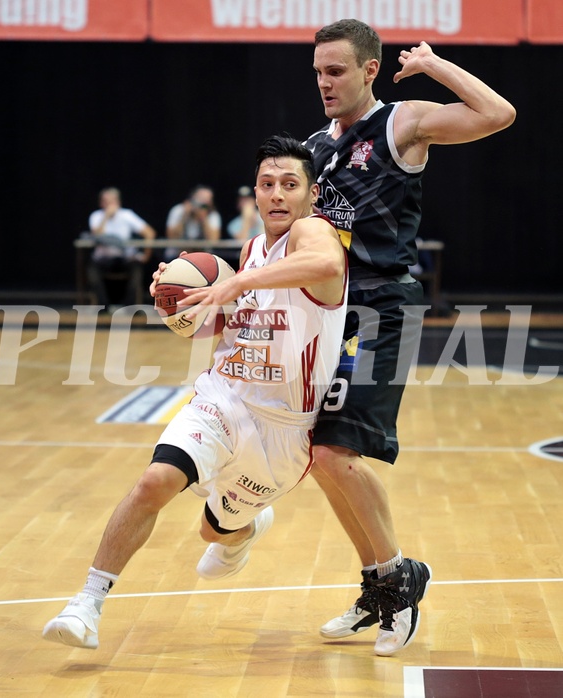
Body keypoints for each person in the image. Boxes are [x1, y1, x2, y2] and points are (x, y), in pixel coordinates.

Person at [42, 135, 347, 650]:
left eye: (290, 185)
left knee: (215, 532)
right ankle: (87, 604)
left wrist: (231, 285)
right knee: (154, 482)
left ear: (312, 195)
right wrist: (181, 300)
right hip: (224, 398)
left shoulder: (314, 234)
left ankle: (244, 531)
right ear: (255, 192)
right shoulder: (251, 249)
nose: (276, 195)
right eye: (267, 184)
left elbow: (329, 267)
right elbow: (228, 325)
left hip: (283, 432)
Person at [303, 20, 516, 656]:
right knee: (318, 455)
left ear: (370, 70)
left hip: (383, 310)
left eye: (336, 70)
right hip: (332, 311)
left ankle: (399, 580)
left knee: (337, 453)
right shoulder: (316, 146)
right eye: (318, 72)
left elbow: (497, 113)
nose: (324, 82)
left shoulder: (402, 124)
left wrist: (432, 63)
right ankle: (378, 583)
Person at [87, 187, 156, 310]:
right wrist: (106, 217)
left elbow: (149, 233)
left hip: (125, 259)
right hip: (103, 259)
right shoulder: (96, 216)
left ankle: (130, 308)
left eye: (111, 201)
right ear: (101, 203)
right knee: (92, 272)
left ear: (118, 202)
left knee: (136, 269)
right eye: (105, 201)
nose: (108, 205)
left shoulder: (127, 215)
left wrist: (146, 256)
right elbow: (97, 236)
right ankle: (103, 309)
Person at [164, 184, 221, 260]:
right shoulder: (179, 210)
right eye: (201, 199)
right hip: (177, 256)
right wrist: (184, 216)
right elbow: (171, 237)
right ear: (192, 198)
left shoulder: (212, 215)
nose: (202, 204)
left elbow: (214, 241)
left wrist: (203, 220)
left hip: (202, 257)